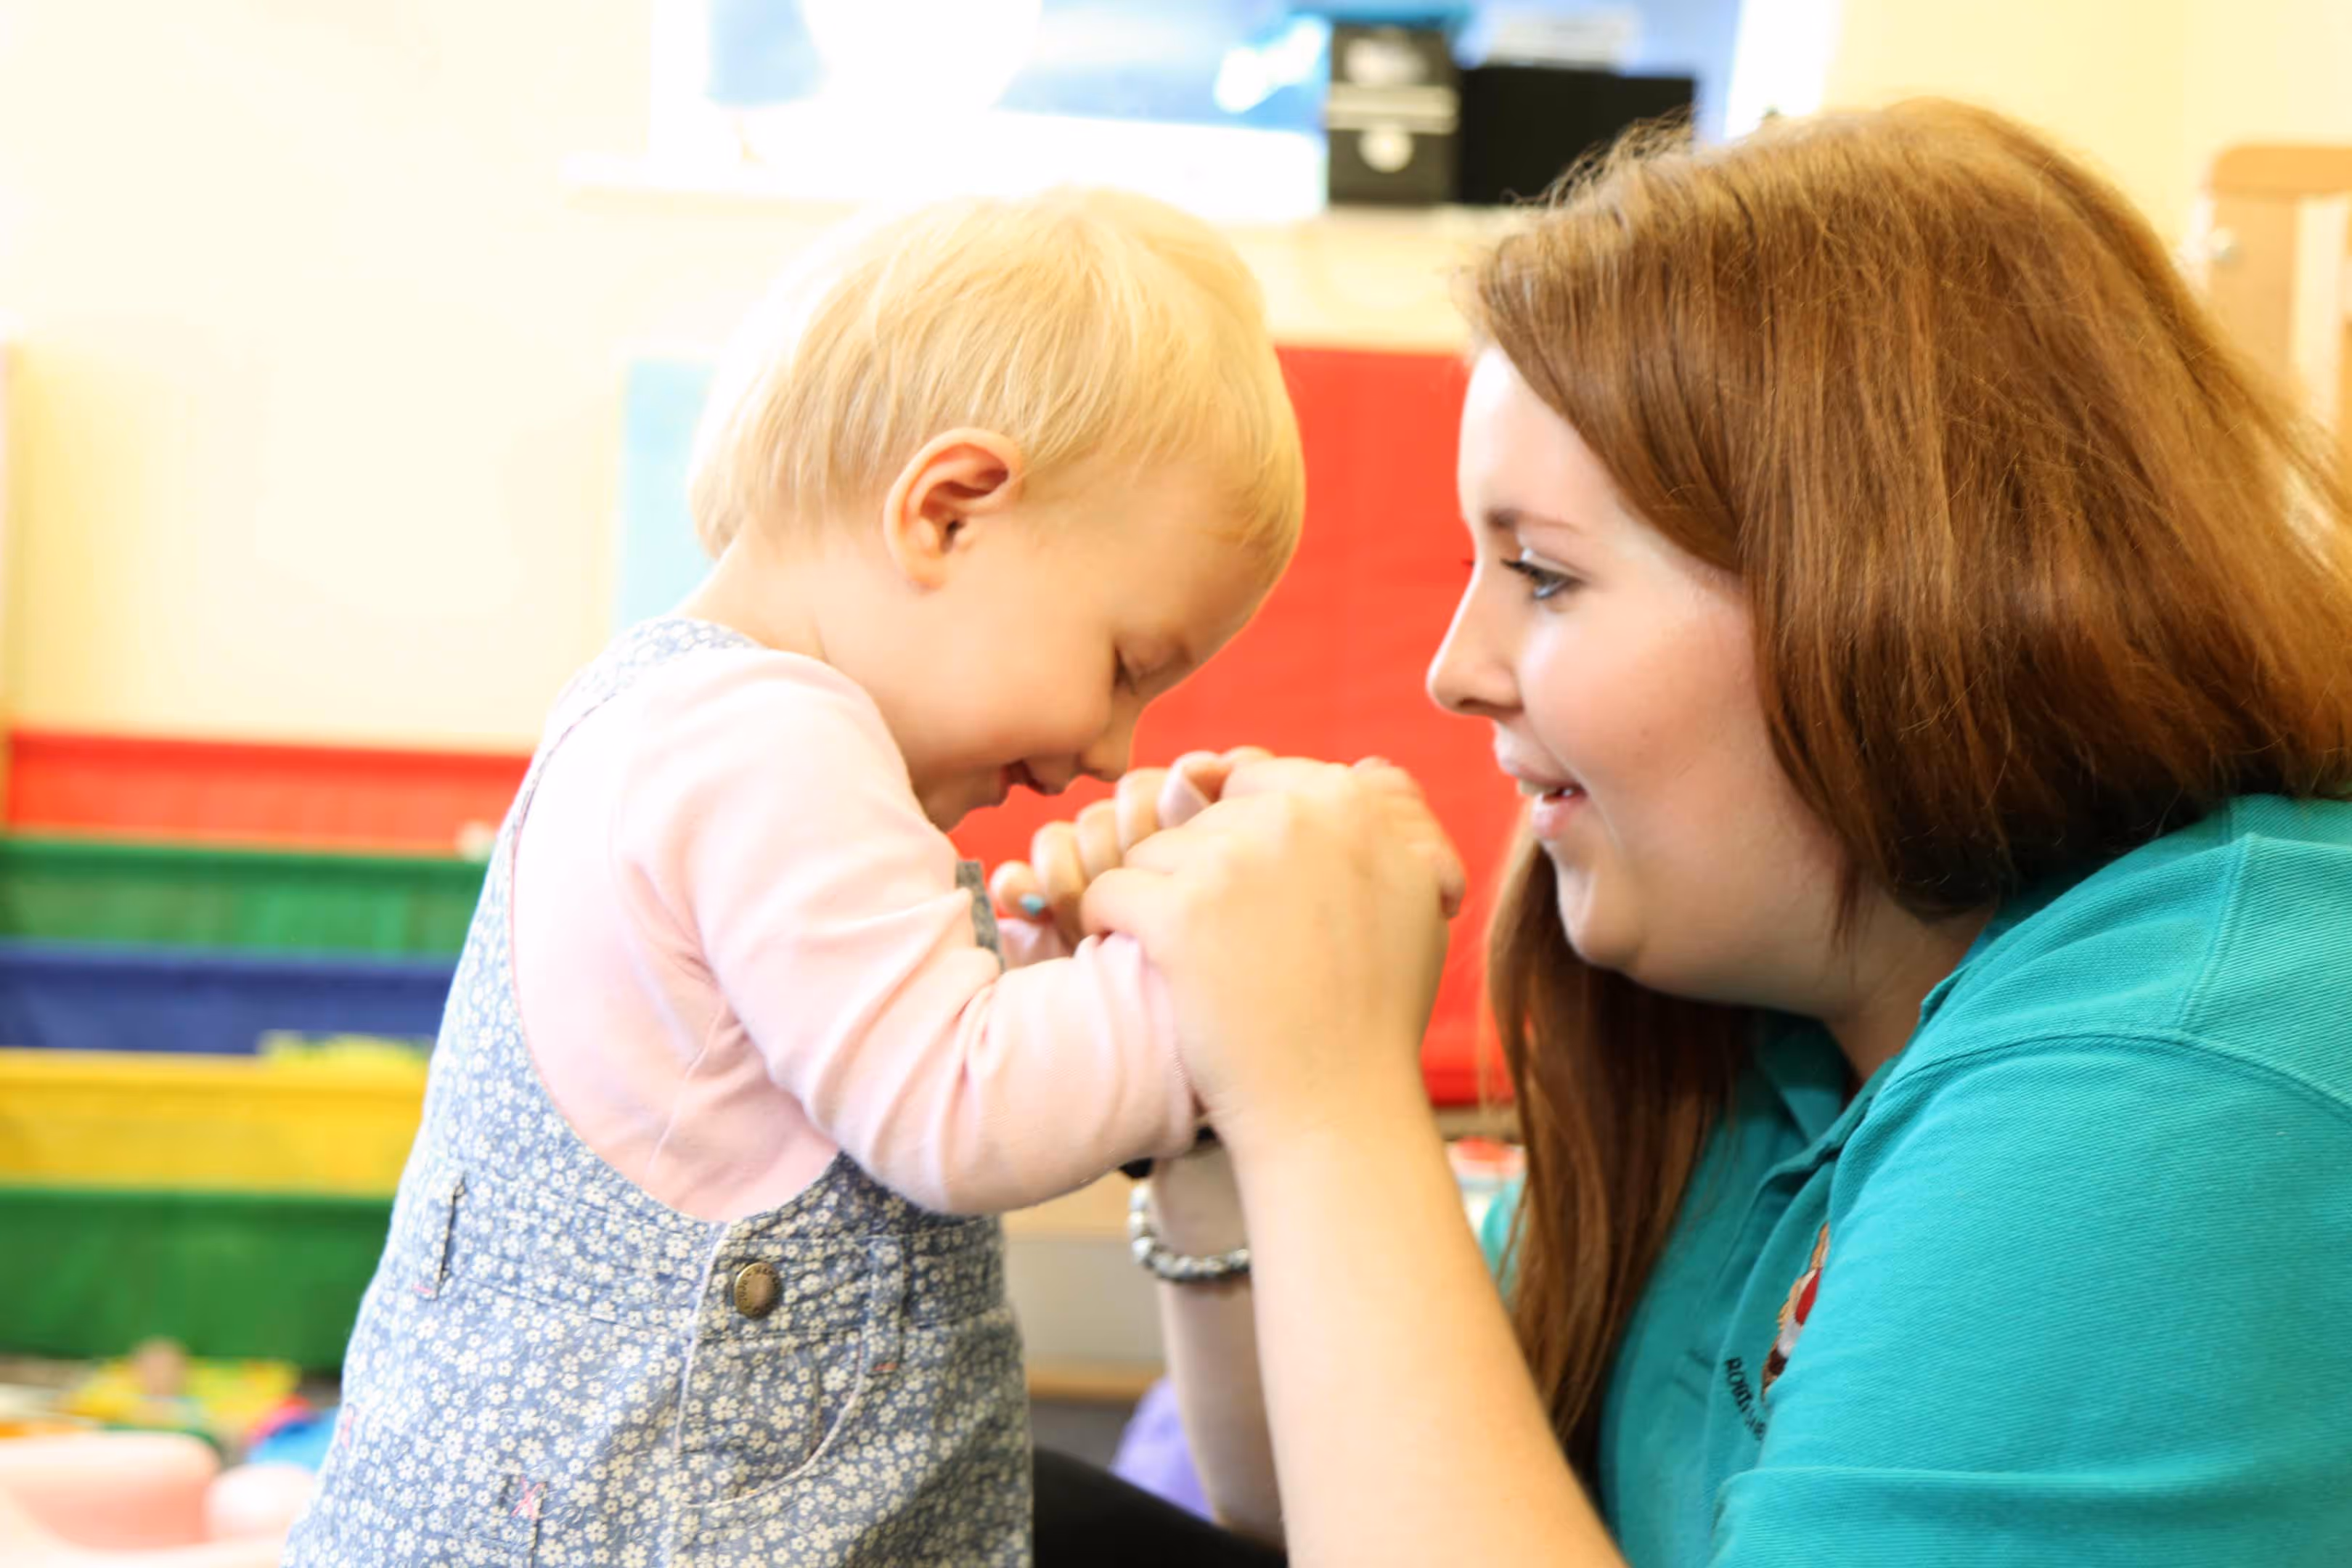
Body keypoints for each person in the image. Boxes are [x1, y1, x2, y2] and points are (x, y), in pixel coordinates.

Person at [1058, 100, 2352, 1565]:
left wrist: (1330, 1101)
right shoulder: (1773, 1036)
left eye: (1543, 575)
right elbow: (1313, 1501)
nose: (1454, 669)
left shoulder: (2169, 1086)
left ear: (1880, 590)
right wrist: (1224, 1104)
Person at [287, 187, 1358, 1567]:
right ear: (951, 513)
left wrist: (1053, 974)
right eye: (1126, 665)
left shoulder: (669, 713)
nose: (1107, 749)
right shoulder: (770, 741)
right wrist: (1231, 988)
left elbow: (811, 1071)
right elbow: (960, 1112)